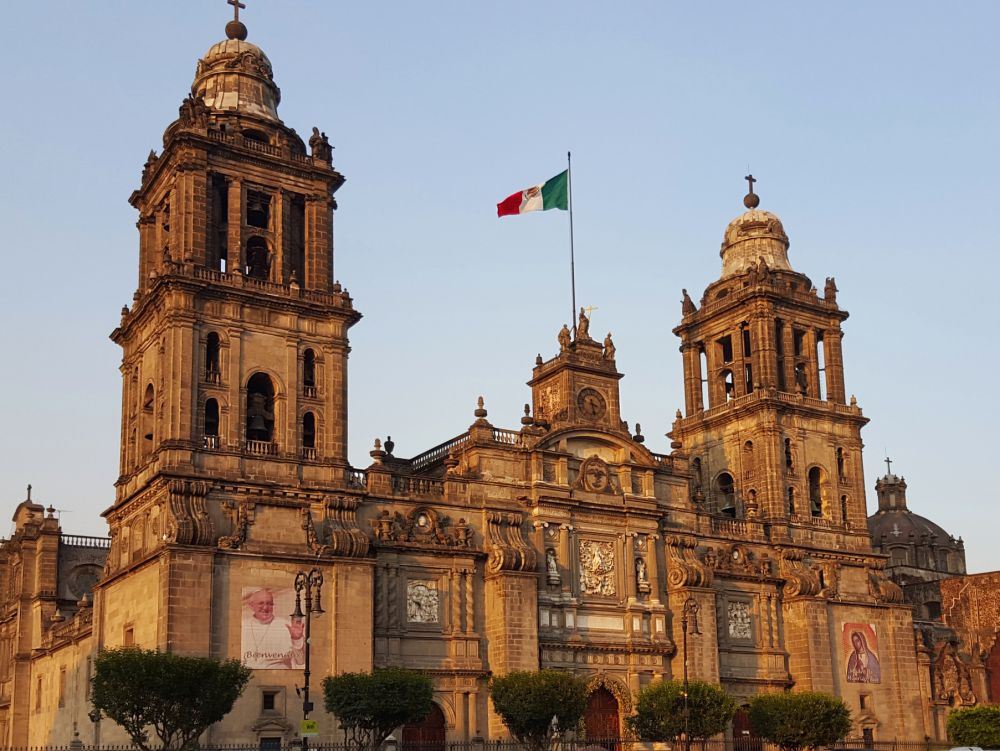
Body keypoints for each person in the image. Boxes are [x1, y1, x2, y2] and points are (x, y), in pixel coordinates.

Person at [241, 588, 305, 669]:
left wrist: (297, 640)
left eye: (269, 604)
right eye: (261, 603)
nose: (265, 607)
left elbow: (301, 662)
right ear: (251, 606)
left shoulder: (287, 627)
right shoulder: (243, 626)